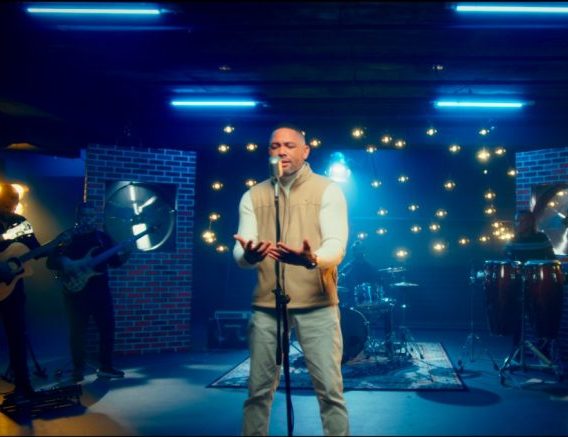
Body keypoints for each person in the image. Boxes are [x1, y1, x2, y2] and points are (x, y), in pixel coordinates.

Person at [233, 124, 350, 436]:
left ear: (305, 151)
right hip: (267, 305)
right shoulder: (253, 195)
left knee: (330, 392)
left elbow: (336, 246)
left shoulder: (328, 190)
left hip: (317, 305)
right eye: (275, 146)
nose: (281, 151)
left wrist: (311, 259)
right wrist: (250, 256)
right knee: (258, 392)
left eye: (289, 145)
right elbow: (240, 251)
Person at [46, 202, 129, 382]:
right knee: (77, 332)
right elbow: (50, 262)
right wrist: (65, 262)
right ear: (78, 217)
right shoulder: (67, 237)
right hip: (75, 291)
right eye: (84, 215)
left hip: (100, 290)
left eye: (91, 216)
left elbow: (114, 262)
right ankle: (78, 370)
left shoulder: (103, 238)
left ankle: (106, 367)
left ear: (95, 218)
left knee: (107, 329)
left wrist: (127, 254)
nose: (88, 219)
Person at [0, 184, 41, 401]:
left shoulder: (21, 223)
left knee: (17, 336)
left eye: (14, 203)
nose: (12, 208)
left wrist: (57, 248)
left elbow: (36, 250)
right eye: (7, 204)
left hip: (13, 289)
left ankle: (23, 386)